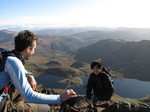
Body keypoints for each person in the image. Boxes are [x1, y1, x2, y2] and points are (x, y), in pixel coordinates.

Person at [0, 30, 77, 112]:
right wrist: (60, 97)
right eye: (34, 49)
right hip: (1, 104)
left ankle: (19, 105)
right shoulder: (14, 61)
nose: (34, 51)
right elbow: (29, 97)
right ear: (28, 49)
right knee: (45, 109)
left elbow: (18, 71)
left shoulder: (7, 55)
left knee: (24, 89)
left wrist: (29, 75)